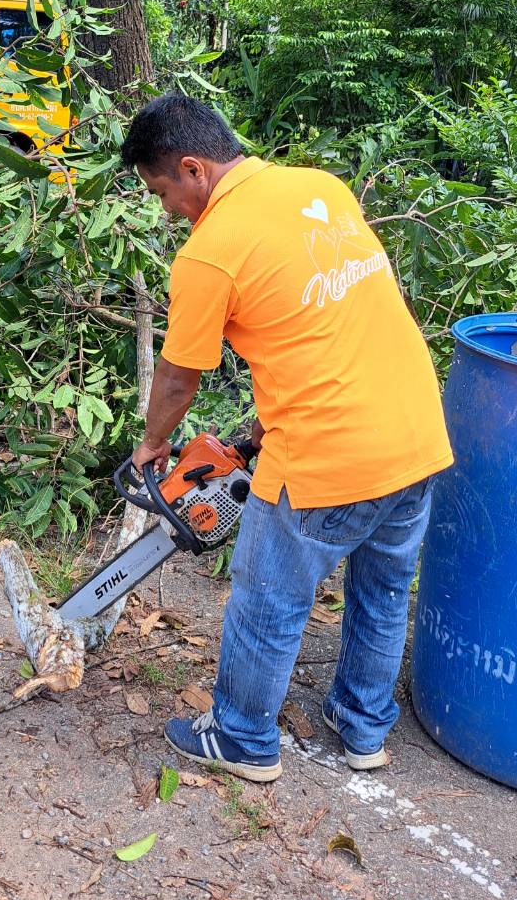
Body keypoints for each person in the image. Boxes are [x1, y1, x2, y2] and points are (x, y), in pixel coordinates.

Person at [121, 95, 453, 783]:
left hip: (330, 450)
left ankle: (242, 735)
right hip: (416, 430)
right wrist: (257, 429)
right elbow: (328, 322)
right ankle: (363, 728)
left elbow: (179, 377)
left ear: (193, 168)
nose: (165, 209)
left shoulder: (210, 252)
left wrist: (153, 445)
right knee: (385, 591)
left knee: (268, 594)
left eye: (162, 192)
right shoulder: (319, 188)